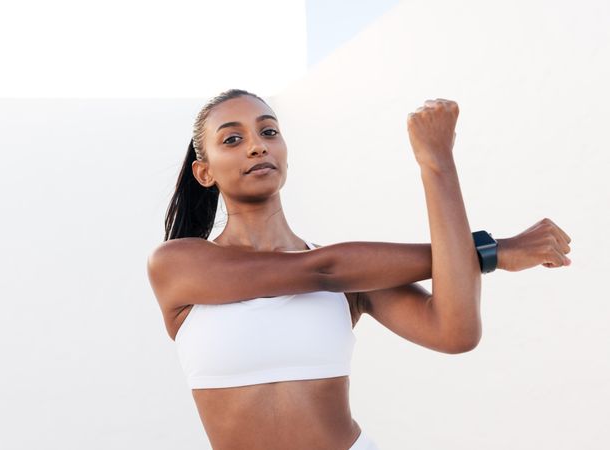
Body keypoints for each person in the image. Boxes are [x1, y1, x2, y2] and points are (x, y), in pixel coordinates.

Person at [147, 89, 572, 450]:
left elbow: (456, 332)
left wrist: (436, 162)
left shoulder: (356, 276)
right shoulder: (177, 264)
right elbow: (322, 270)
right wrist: (490, 250)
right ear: (204, 172)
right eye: (233, 139)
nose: (257, 145)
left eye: (269, 131)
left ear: (285, 152)